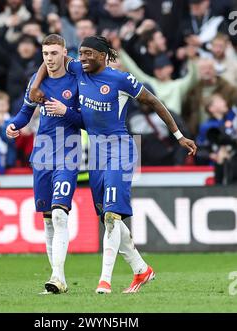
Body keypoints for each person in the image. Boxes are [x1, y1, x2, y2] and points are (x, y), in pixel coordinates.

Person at [29, 36, 197, 294]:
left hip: (121, 149)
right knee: (109, 219)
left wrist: (178, 135)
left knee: (111, 216)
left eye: (88, 53)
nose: (82, 57)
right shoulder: (77, 70)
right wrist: (36, 86)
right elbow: (50, 62)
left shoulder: (120, 79)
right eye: (80, 53)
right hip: (95, 155)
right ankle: (141, 269)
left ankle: (104, 281)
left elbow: (154, 102)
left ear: (102, 55)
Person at [6, 34, 82, 294]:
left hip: (68, 153)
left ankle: (57, 277)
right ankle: (57, 279)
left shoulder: (78, 80)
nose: (49, 58)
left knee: (60, 213)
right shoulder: (37, 81)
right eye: (45, 54)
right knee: (48, 220)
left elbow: (91, 119)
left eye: (54, 53)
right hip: (42, 154)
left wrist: (67, 111)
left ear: (64, 53)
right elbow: (26, 112)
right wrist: (14, 125)